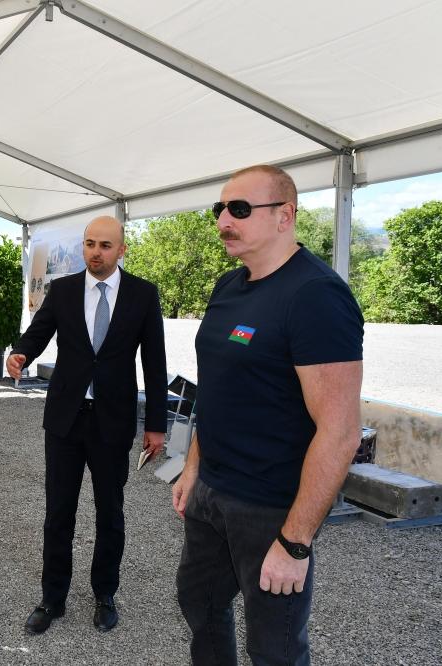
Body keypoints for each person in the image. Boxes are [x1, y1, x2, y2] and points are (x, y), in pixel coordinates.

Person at [172, 165, 363, 665]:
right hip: (212, 492)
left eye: (239, 210)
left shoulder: (315, 295)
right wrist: (192, 468)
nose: (224, 221)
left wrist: (295, 542)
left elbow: (340, 431)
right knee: (199, 603)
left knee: (273, 648)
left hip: (270, 507)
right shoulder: (228, 286)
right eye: (220, 209)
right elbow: (218, 389)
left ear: (285, 216)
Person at [6, 216, 168, 634]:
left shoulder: (142, 295)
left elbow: (155, 363)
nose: (96, 252)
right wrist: (20, 354)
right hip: (66, 419)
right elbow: (37, 334)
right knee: (58, 512)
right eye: (90, 244)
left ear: (122, 250)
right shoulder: (62, 290)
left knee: (110, 513)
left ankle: (105, 594)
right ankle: (52, 599)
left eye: (105, 245)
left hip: (112, 422)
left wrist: (156, 425)